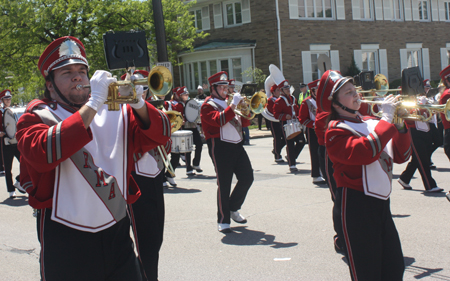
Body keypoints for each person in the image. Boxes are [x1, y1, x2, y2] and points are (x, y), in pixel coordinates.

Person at [16, 36, 170, 281]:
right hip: (66, 238)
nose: (77, 77)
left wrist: (138, 102)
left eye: (81, 71)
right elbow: (43, 152)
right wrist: (95, 101)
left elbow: (161, 134)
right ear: (50, 84)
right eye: (66, 72)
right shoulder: (36, 118)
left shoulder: (118, 112)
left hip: (117, 232)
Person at [317, 70, 411, 280]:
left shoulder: (371, 121)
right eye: (348, 92)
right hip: (356, 206)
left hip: (382, 205)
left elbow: (401, 156)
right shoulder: (335, 130)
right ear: (335, 103)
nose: (356, 95)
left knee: (394, 268)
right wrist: (386, 117)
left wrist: (400, 126)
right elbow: (366, 152)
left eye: (354, 90)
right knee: (367, 273)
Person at [126, 69, 170, 281]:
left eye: (144, 86)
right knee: (146, 242)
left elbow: (165, 139)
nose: (141, 90)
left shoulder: (154, 109)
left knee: (155, 239)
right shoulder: (125, 111)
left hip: (155, 176)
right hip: (135, 178)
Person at [200, 71, 254, 233]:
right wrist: (233, 106)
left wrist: (246, 108)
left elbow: (245, 122)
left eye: (226, 87)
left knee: (247, 177)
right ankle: (223, 220)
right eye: (222, 87)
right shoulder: (207, 105)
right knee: (224, 183)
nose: (225, 90)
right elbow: (219, 121)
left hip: (237, 145)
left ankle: (233, 207)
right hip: (220, 146)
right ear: (213, 88)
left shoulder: (230, 102)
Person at [163, 86, 196, 187]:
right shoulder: (170, 104)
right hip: (166, 132)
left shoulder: (181, 104)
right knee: (162, 157)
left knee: (175, 157)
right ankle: (161, 178)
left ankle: (168, 175)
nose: (186, 96)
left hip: (176, 133)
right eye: (183, 95)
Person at [273, 79, 305, 172]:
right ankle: (292, 165)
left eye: (288, 88)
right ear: (282, 90)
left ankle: (292, 157)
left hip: (296, 122)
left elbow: (297, 110)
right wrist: (284, 116)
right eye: (285, 88)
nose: (288, 90)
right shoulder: (279, 101)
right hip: (286, 124)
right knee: (290, 144)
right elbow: (276, 114)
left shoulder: (293, 98)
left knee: (301, 142)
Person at [298, 80, 326, 184]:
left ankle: (324, 172)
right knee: (315, 152)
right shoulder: (306, 102)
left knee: (324, 152)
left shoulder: (323, 101)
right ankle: (316, 175)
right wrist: (313, 124)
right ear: (313, 90)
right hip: (312, 130)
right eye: (318, 89)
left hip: (324, 129)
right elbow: (302, 118)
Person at [0, 90, 23, 198]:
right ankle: (11, 190)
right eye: (6, 99)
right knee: (8, 168)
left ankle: (19, 180)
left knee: (25, 163)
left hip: (16, 141)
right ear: (2, 100)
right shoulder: (0, 112)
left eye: (9, 98)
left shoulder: (13, 111)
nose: (8, 100)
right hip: (5, 143)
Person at [266, 84, 286, 162]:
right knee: (277, 138)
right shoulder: (270, 100)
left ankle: (276, 150)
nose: (279, 92)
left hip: (281, 120)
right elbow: (271, 110)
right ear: (273, 92)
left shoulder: (281, 99)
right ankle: (277, 155)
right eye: (278, 90)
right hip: (273, 121)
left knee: (285, 138)